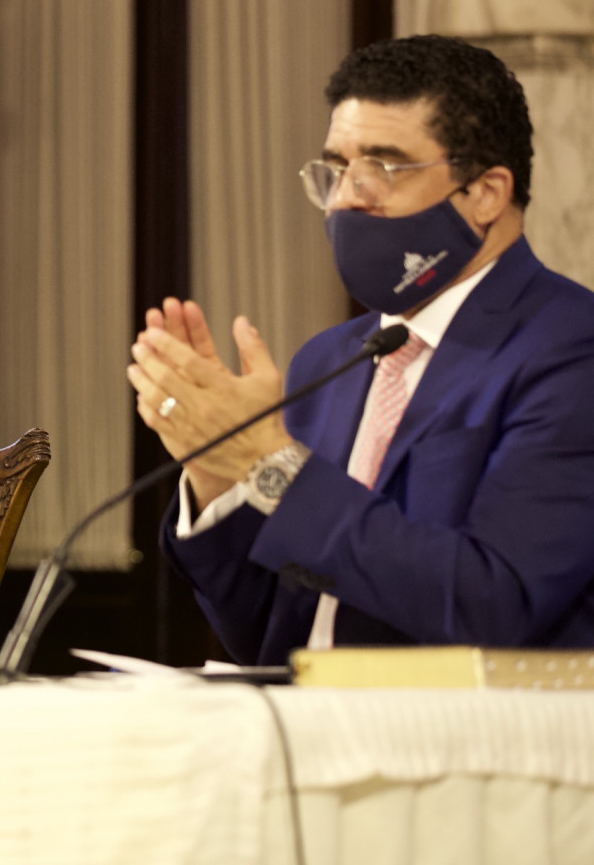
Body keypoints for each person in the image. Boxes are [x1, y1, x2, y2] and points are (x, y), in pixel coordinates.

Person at [129, 35, 594, 665]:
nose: (347, 196)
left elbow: (496, 602)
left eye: (384, 168)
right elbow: (271, 632)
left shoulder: (570, 349)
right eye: (337, 170)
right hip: (307, 713)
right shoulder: (329, 362)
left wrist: (270, 463)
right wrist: (219, 475)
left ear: (485, 193)